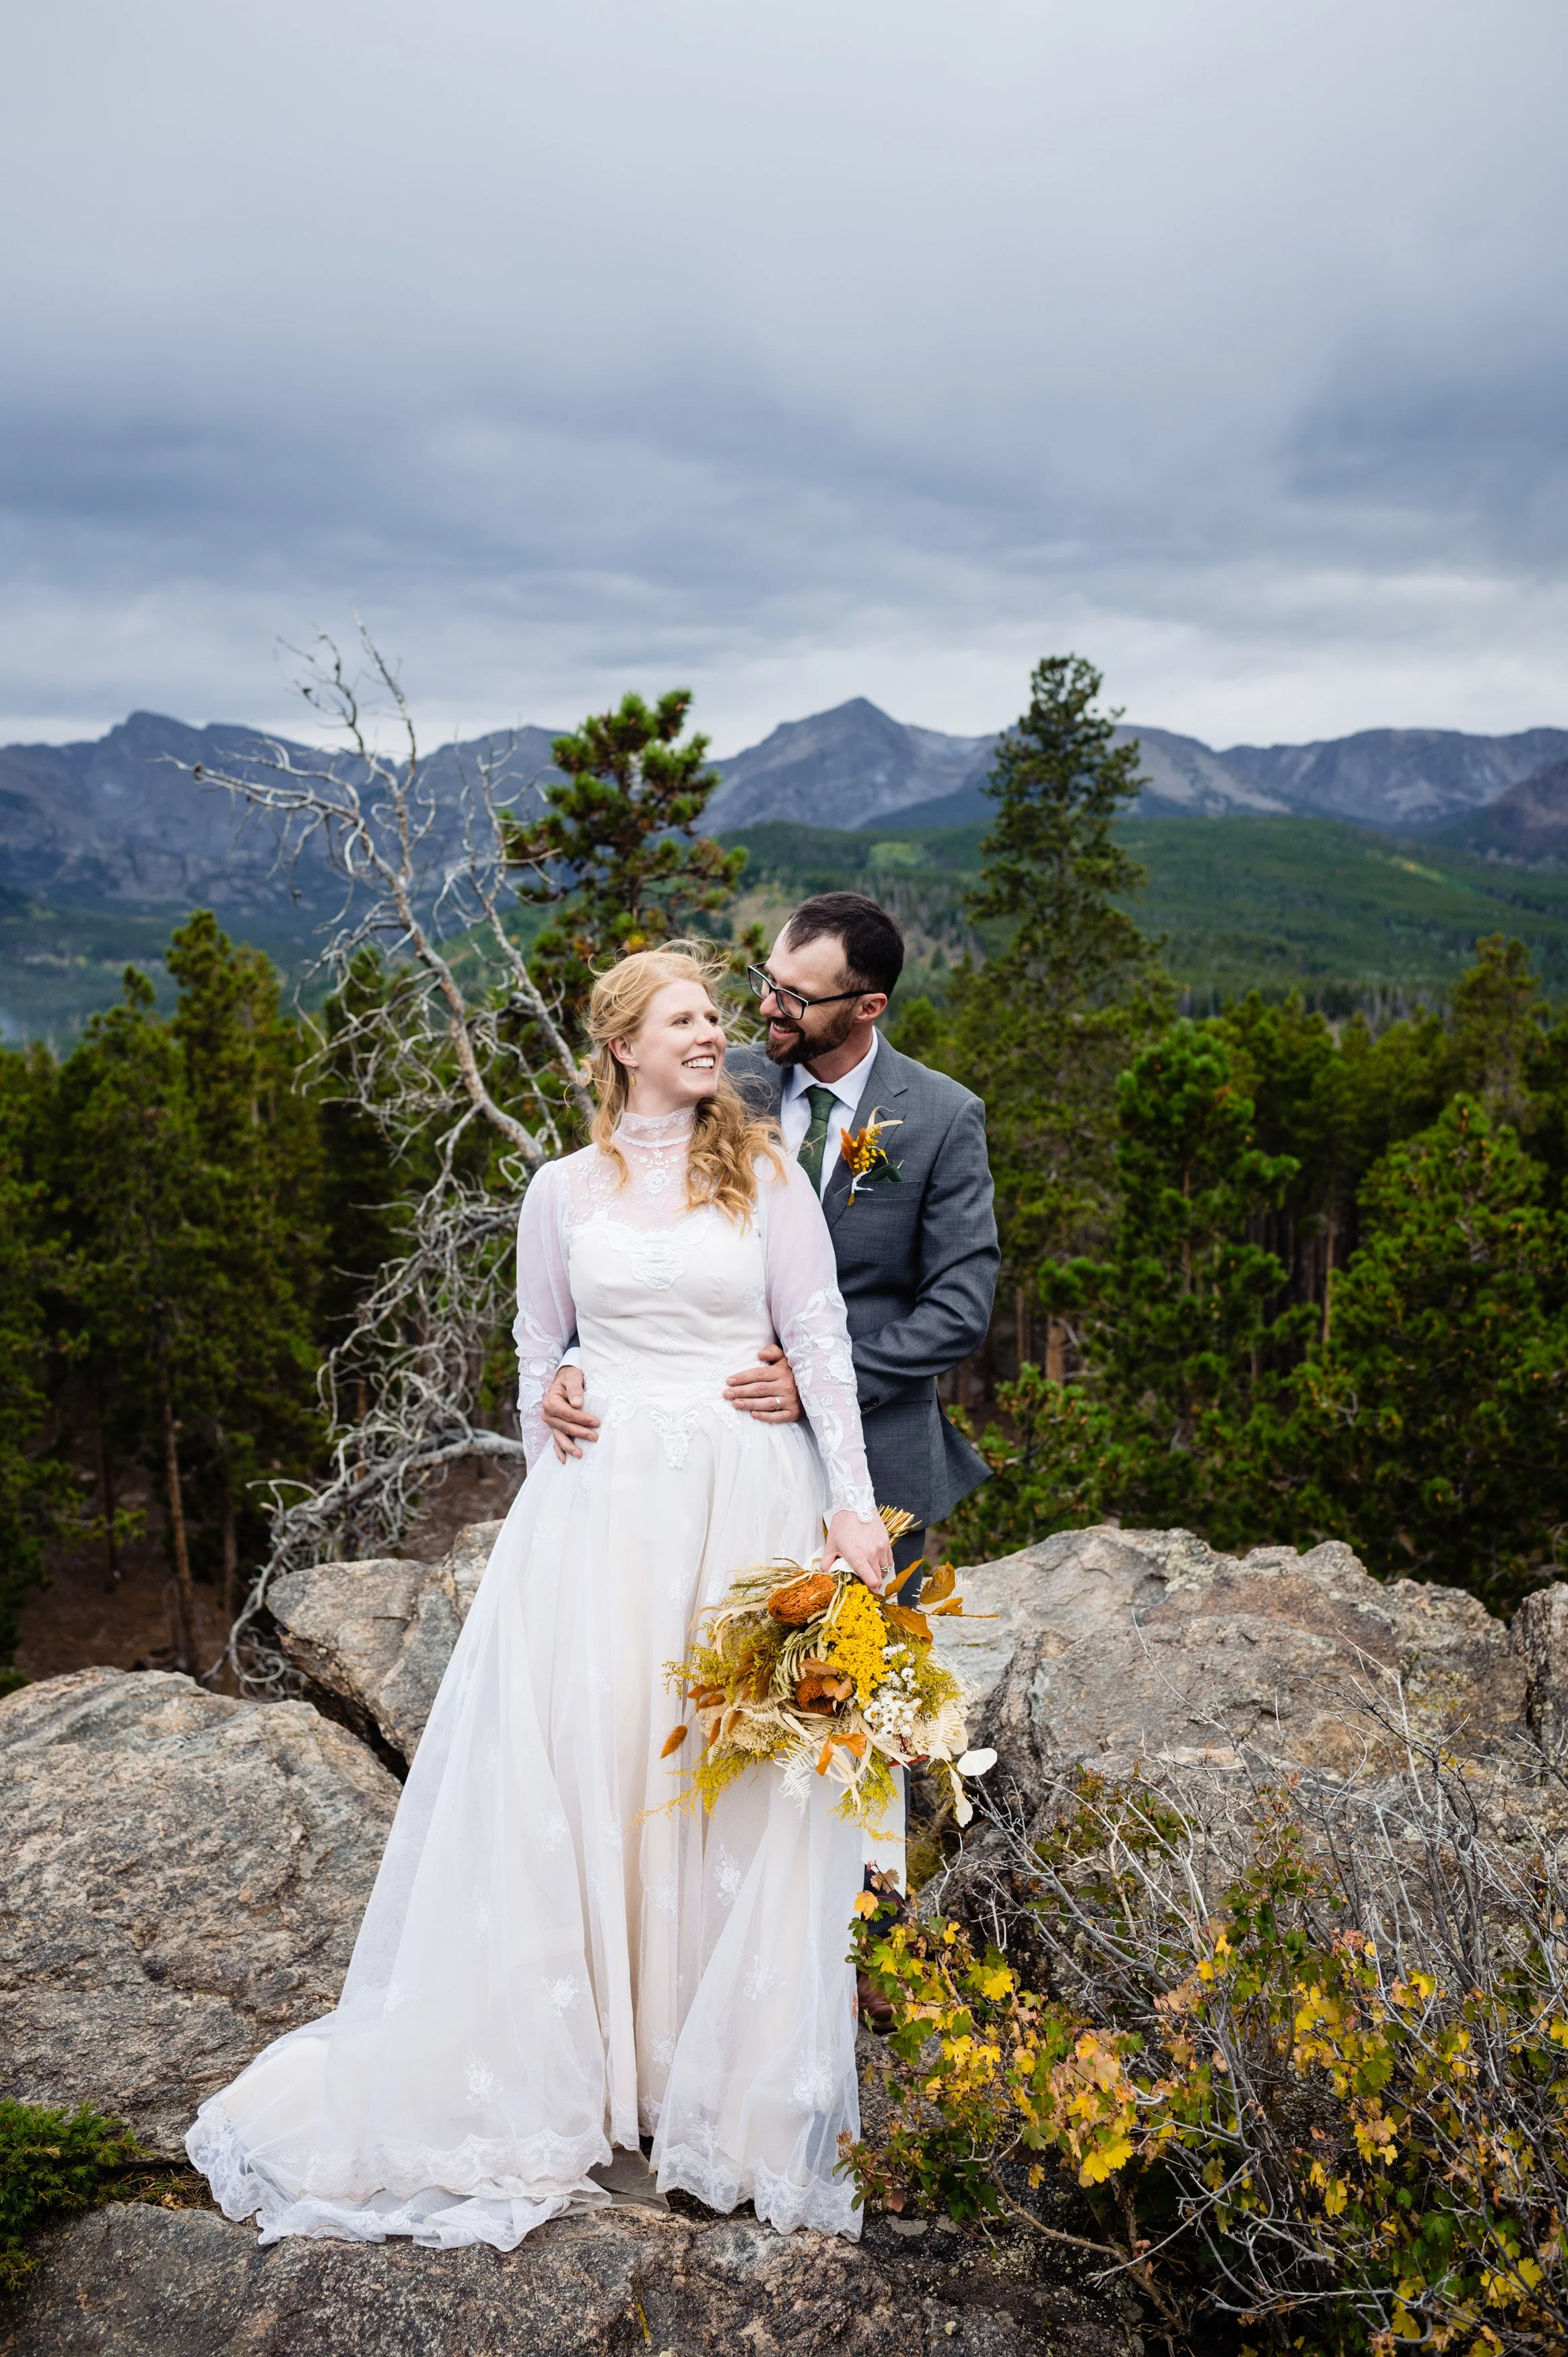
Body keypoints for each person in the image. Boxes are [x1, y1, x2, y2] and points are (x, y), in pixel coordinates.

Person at [186, 942, 892, 2248]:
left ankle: (711, 2084)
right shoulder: (561, 1188)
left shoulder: (770, 1174)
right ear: (622, 1041)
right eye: (685, 1018)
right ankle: (599, 2074)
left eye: (715, 1020)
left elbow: (824, 1342)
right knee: (603, 1769)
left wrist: (852, 1507)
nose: (712, 1035)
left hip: (747, 1504)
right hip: (604, 1517)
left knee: (735, 1781)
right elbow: (533, 1350)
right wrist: (554, 1404)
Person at [543, 893, 998, 1597]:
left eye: (794, 995)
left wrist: (817, 1375)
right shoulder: (721, 1080)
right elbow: (630, 1227)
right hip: (716, 1459)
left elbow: (959, 1310)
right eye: (766, 980)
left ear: (866, 1006)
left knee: (844, 1689)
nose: (766, 1007)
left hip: (877, 1456)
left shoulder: (942, 1116)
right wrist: (580, 1353)